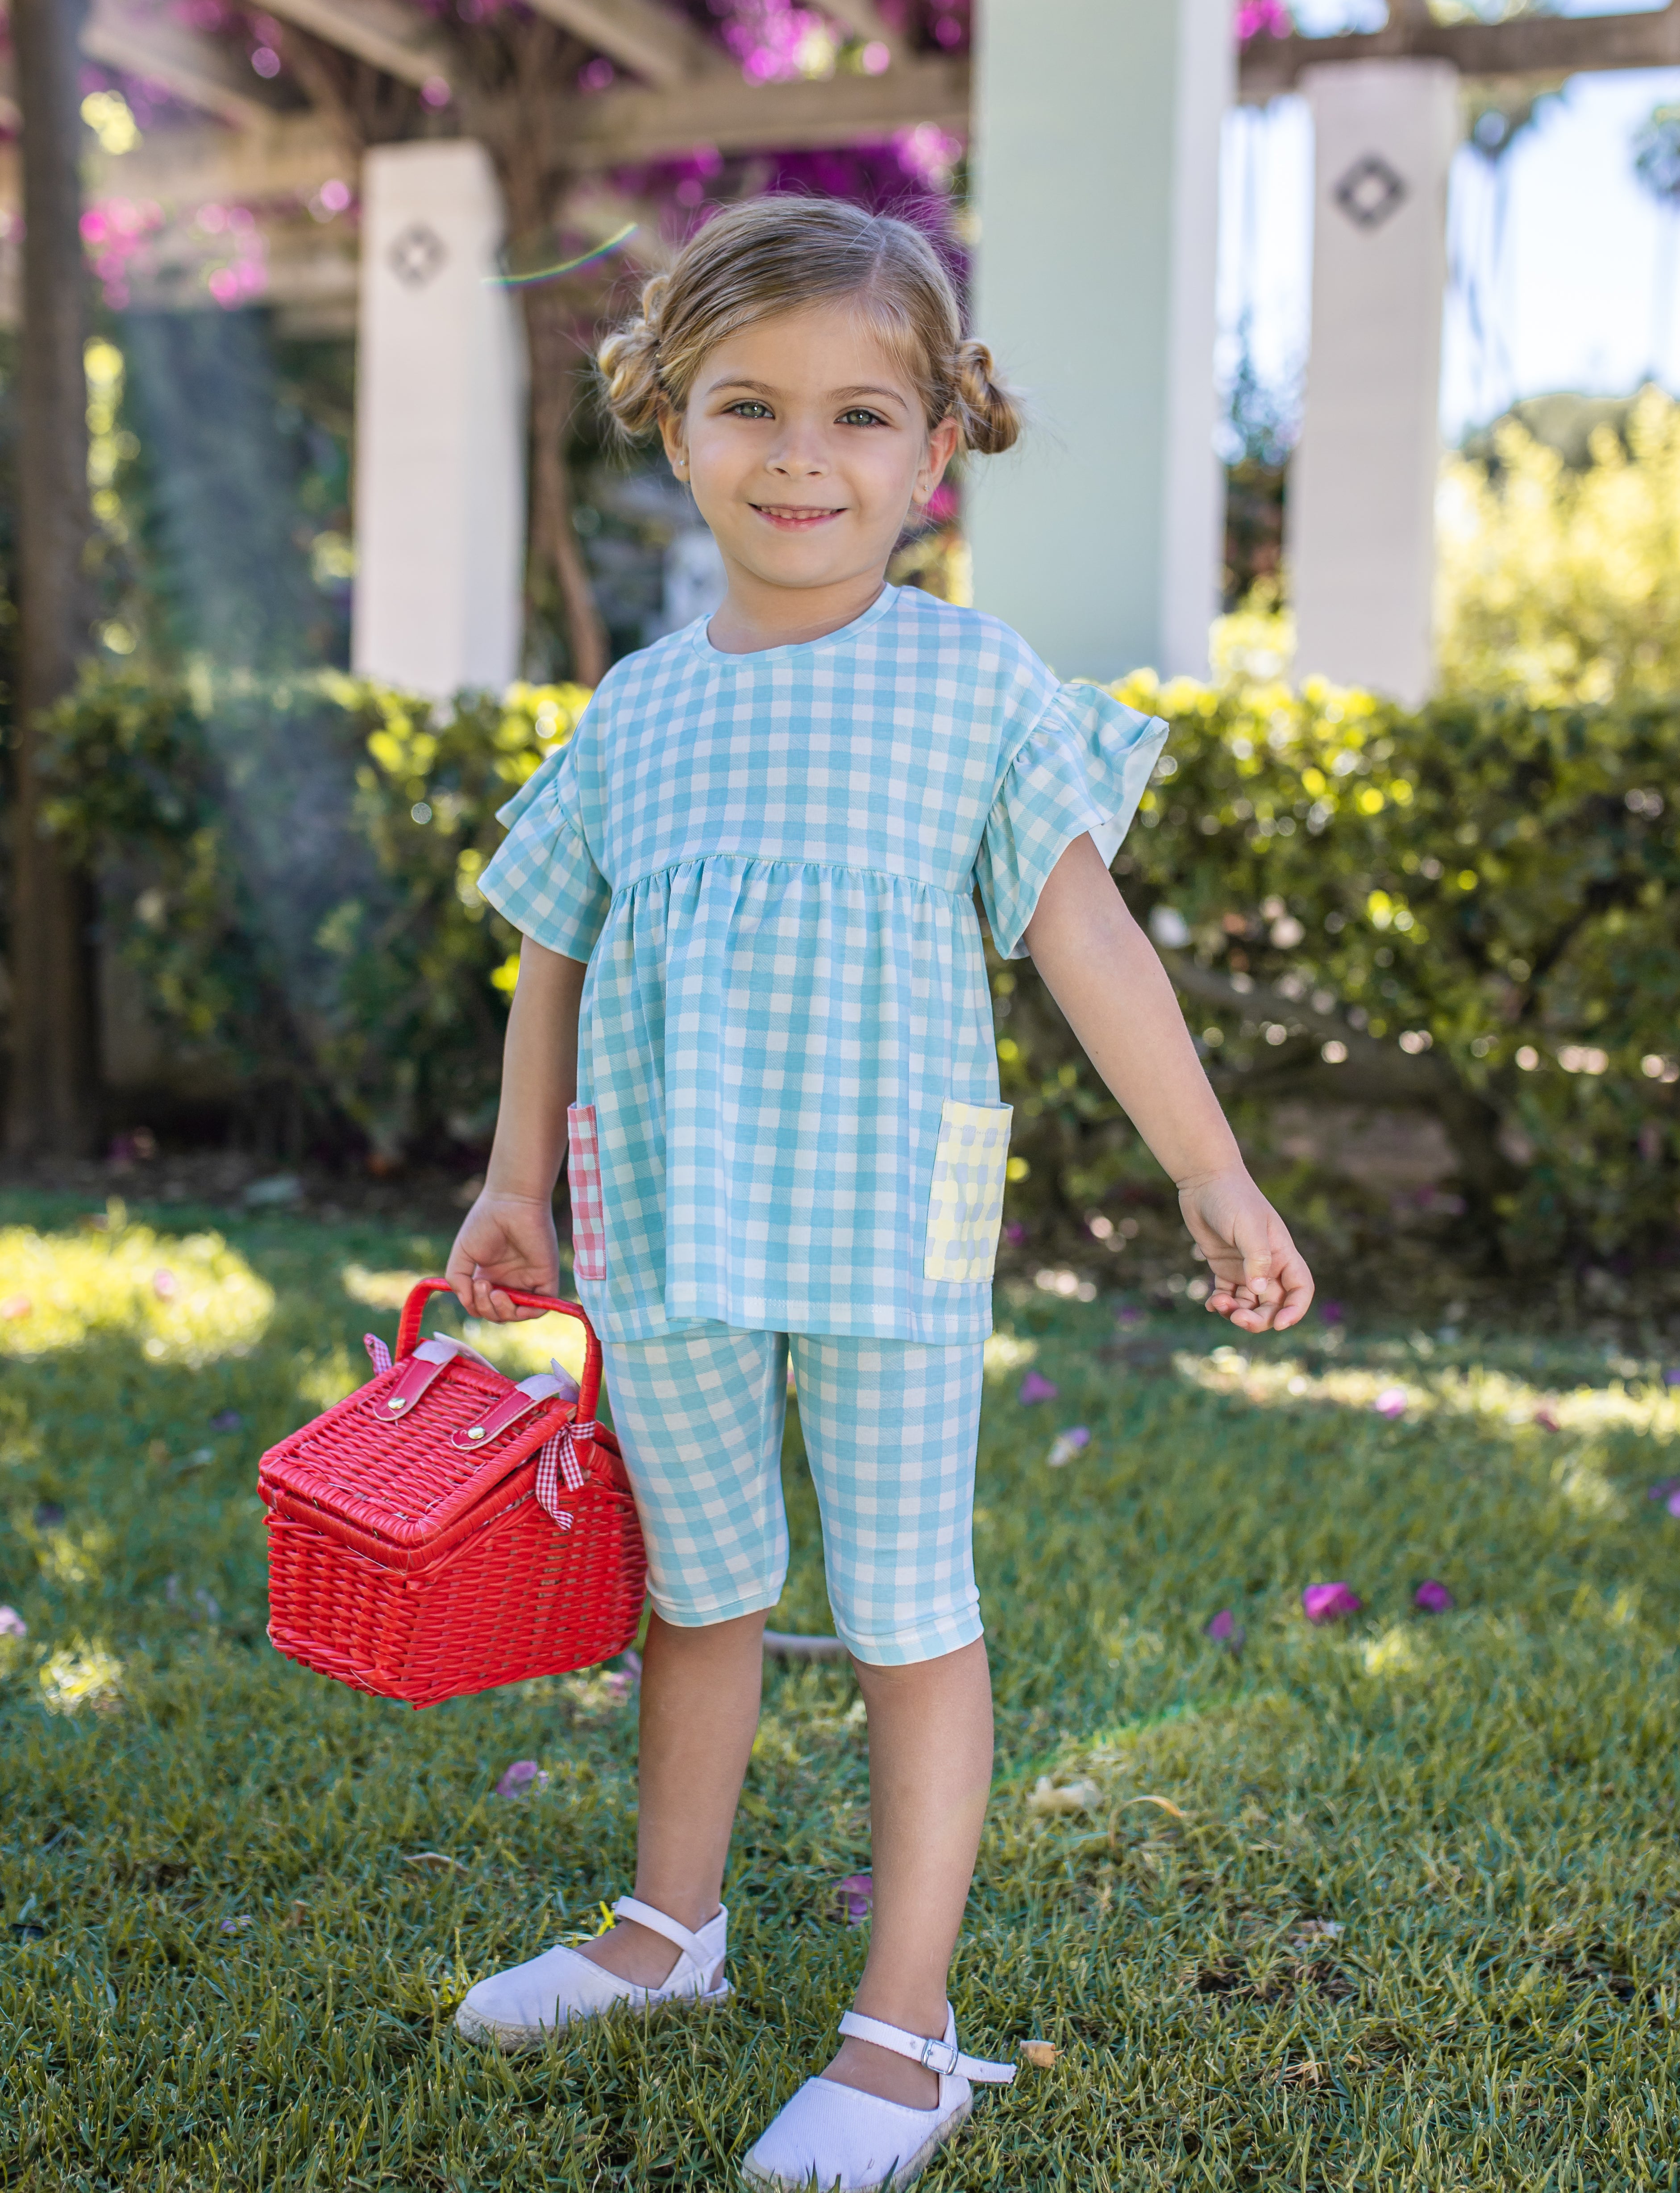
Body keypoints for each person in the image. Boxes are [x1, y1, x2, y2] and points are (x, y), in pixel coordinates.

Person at [445, 194, 1314, 2193]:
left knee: (913, 1612)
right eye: (750, 406)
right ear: (672, 424)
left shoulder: (974, 686)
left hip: (890, 1242)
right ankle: (667, 1931)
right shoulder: (638, 709)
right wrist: (513, 1180)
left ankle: (901, 2034)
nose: (801, 457)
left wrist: (1215, 1167)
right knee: (701, 1589)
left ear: (935, 454)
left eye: (858, 417)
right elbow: (554, 951)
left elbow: (1092, 945)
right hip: (664, 1233)